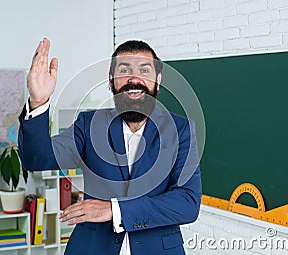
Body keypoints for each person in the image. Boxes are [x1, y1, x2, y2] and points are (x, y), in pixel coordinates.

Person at [18, 38, 201, 255]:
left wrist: (115, 210)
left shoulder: (180, 129)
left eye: (144, 70)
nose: (134, 79)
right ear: (111, 80)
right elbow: (37, 158)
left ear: (158, 80)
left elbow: (187, 203)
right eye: (125, 70)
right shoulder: (88, 126)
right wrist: (38, 102)